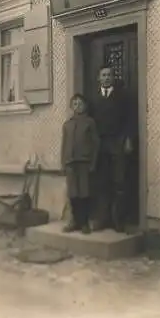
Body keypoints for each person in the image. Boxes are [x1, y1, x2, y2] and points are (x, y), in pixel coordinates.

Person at [91, 66, 134, 232]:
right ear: (99, 78)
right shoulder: (94, 98)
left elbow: (130, 119)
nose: (107, 77)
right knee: (102, 182)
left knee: (119, 182)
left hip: (118, 142)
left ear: (113, 78)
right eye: (103, 75)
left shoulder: (123, 96)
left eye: (109, 75)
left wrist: (128, 139)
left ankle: (118, 220)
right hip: (100, 145)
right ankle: (103, 219)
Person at [61, 93, 100, 235]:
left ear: (85, 106)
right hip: (70, 163)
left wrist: (93, 163)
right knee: (73, 194)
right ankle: (74, 221)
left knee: (84, 193)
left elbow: (96, 144)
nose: (78, 106)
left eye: (81, 103)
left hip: (84, 162)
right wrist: (63, 163)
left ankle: (84, 223)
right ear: (72, 107)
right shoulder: (67, 124)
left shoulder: (90, 122)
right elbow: (64, 145)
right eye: (75, 104)